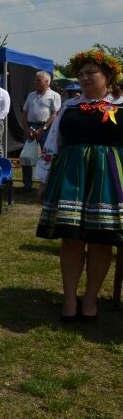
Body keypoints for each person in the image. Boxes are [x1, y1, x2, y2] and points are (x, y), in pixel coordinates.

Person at [36, 49, 123, 323]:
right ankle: (70, 298)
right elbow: (53, 143)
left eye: (90, 73)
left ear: (108, 76)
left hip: (107, 176)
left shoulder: (122, 106)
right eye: (81, 74)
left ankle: (90, 299)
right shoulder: (69, 106)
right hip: (71, 174)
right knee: (71, 238)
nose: (84, 78)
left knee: (100, 240)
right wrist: (44, 178)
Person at [21, 71, 61, 191]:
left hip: (46, 129)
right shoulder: (31, 95)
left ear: (47, 82)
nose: (35, 82)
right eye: (35, 80)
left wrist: (43, 129)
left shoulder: (54, 95)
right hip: (30, 128)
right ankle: (27, 185)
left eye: (38, 80)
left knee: (47, 157)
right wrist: (27, 129)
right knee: (26, 156)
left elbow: (55, 114)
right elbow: (24, 113)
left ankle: (46, 184)